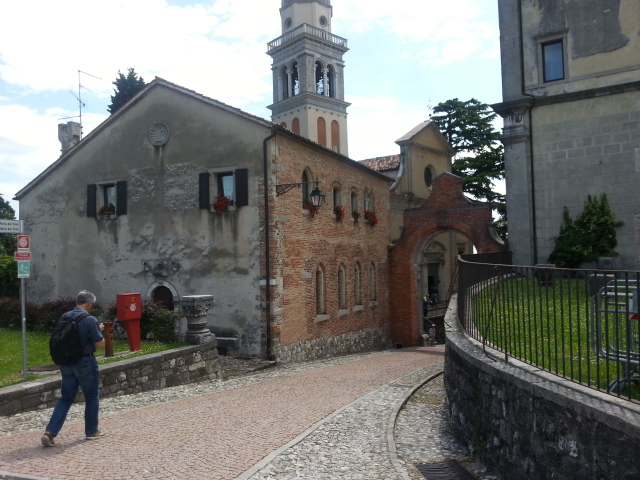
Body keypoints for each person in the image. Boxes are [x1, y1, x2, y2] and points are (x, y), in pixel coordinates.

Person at [41, 290, 106, 447]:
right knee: (91, 396)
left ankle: (50, 432)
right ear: (89, 303)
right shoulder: (90, 320)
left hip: (66, 363)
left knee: (66, 398)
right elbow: (99, 344)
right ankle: (92, 431)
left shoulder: (64, 316)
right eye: (92, 304)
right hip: (85, 362)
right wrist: (100, 331)